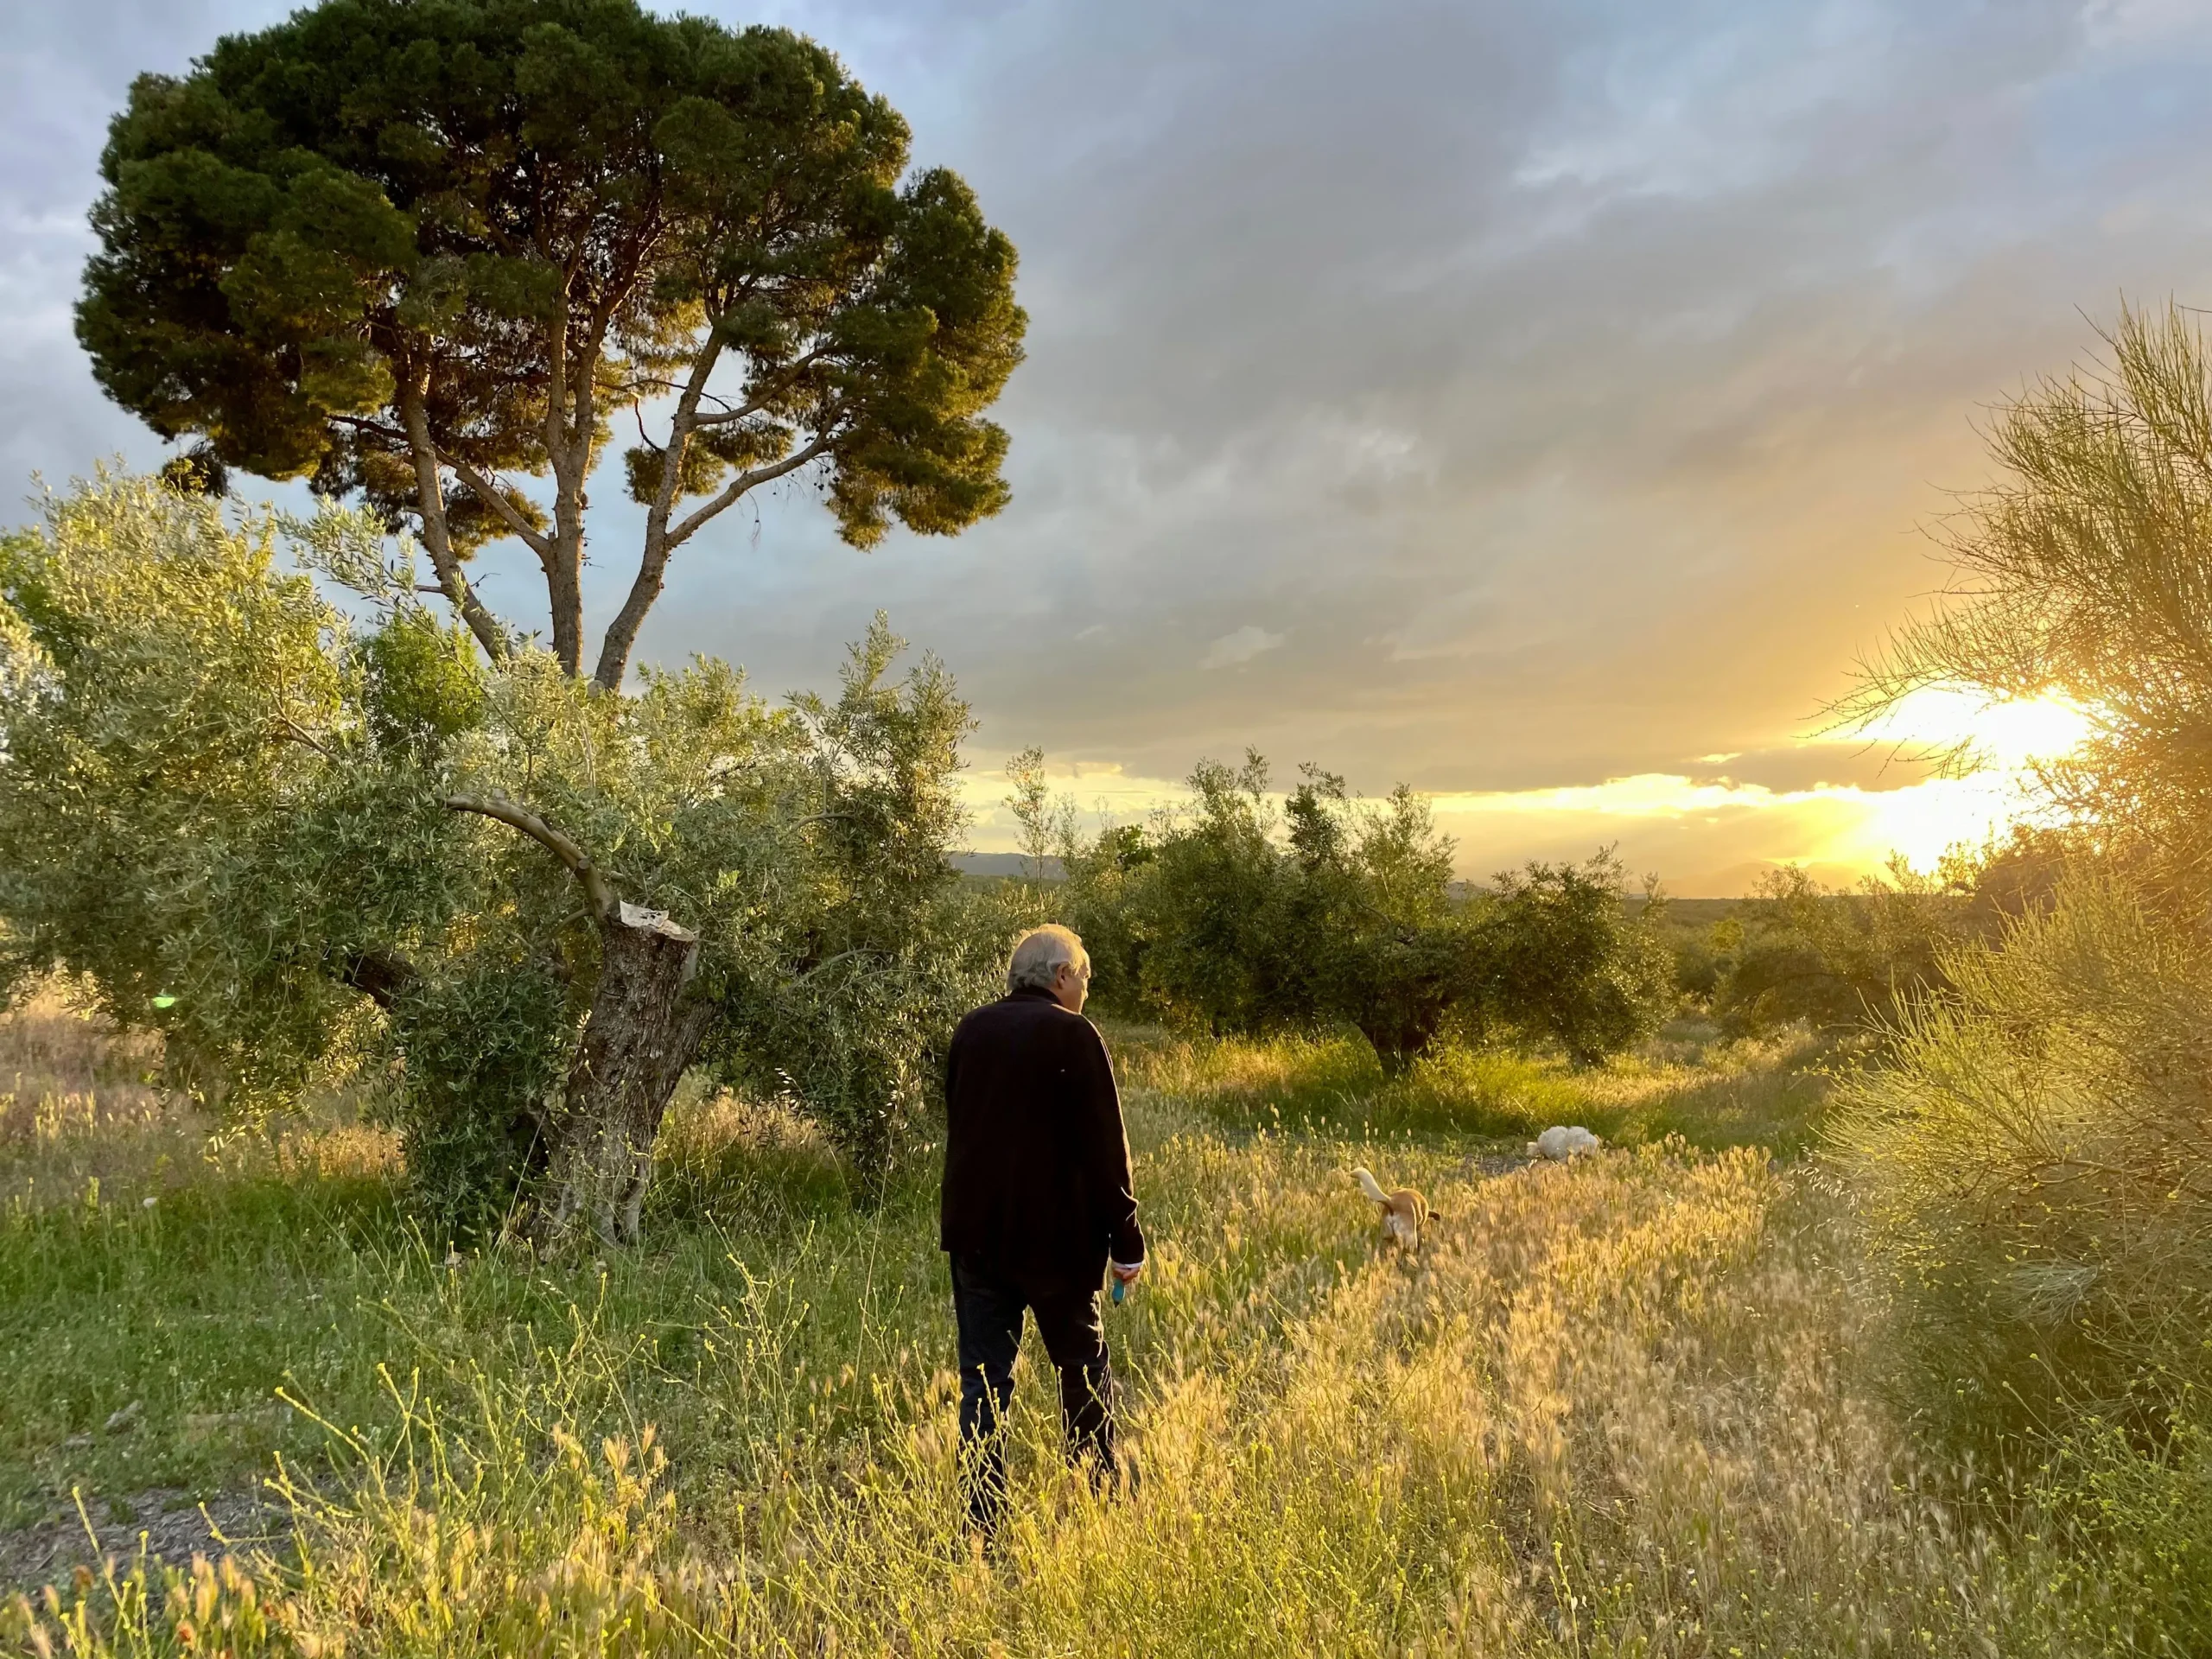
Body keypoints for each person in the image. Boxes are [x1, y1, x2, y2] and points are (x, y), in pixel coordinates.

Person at [939, 924, 1145, 1542]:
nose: (1085, 989)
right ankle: (1099, 1503)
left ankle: (981, 1523)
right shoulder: (1074, 1034)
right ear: (1061, 976)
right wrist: (1127, 1242)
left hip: (977, 1238)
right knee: (1081, 1371)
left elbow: (963, 1126)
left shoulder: (971, 1030)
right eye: (1084, 977)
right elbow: (1108, 1149)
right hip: (1059, 1242)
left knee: (984, 1382)